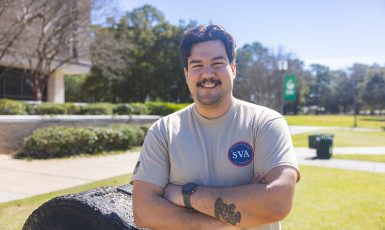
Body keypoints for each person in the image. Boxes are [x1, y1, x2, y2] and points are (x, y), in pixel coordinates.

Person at [131, 24, 300, 230]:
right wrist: (236, 216)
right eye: (197, 65)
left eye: (217, 63)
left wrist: (185, 195)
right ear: (186, 74)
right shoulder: (163, 131)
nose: (207, 73)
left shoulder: (265, 123)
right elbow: (143, 211)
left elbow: (277, 203)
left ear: (233, 69)